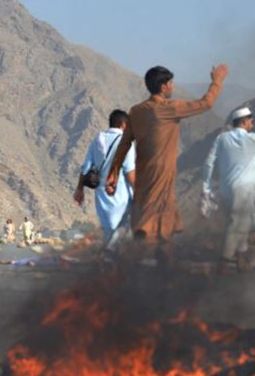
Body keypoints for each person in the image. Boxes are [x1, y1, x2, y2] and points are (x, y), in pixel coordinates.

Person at [106, 64, 228, 269]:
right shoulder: (168, 108)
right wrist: (217, 80)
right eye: (170, 83)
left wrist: (114, 173)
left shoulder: (136, 112)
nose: (172, 86)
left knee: (156, 226)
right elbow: (206, 103)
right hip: (161, 176)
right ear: (163, 87)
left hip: (144, 177)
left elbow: (123, 145)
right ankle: (128, 268)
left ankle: (156, 271)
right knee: (154, 230)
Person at [203, 107, 255, 272]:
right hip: (244, 191)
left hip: (225, 190)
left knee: (238, 223)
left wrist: (207, 186)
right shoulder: (252, 139)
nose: (253, 124)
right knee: (237, 225)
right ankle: (223, 262)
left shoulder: (221, 139)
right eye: (251, 121)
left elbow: (209, 162)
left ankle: (241, 260)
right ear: (244, 122)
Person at [73, 109, 136, 254]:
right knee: (122, 231)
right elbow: (129, 171)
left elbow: (85, 168)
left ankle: (108, 262)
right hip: (121, 194)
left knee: (109, 230)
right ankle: (114, 262)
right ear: (123, 124)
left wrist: (79, 189)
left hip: (102, 195)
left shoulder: (97, 140)